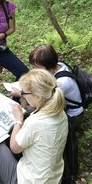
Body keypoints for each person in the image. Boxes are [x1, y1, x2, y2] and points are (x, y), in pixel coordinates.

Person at [0, 69, 68, 184]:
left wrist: (18, 120)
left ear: (38, 97)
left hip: (29, 180)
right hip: (53, 177)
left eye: (24, 93)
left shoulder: (35, 122)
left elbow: (14, 148)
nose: (23, 96)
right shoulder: (60, 112)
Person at [28, 44, 84, 184]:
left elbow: (44, 102)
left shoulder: (61, 83)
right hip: (70, 107)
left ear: (48, 66)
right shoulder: (59, 65)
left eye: (37, 68)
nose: (35, 70)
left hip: (73, 116)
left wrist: (23, 93)